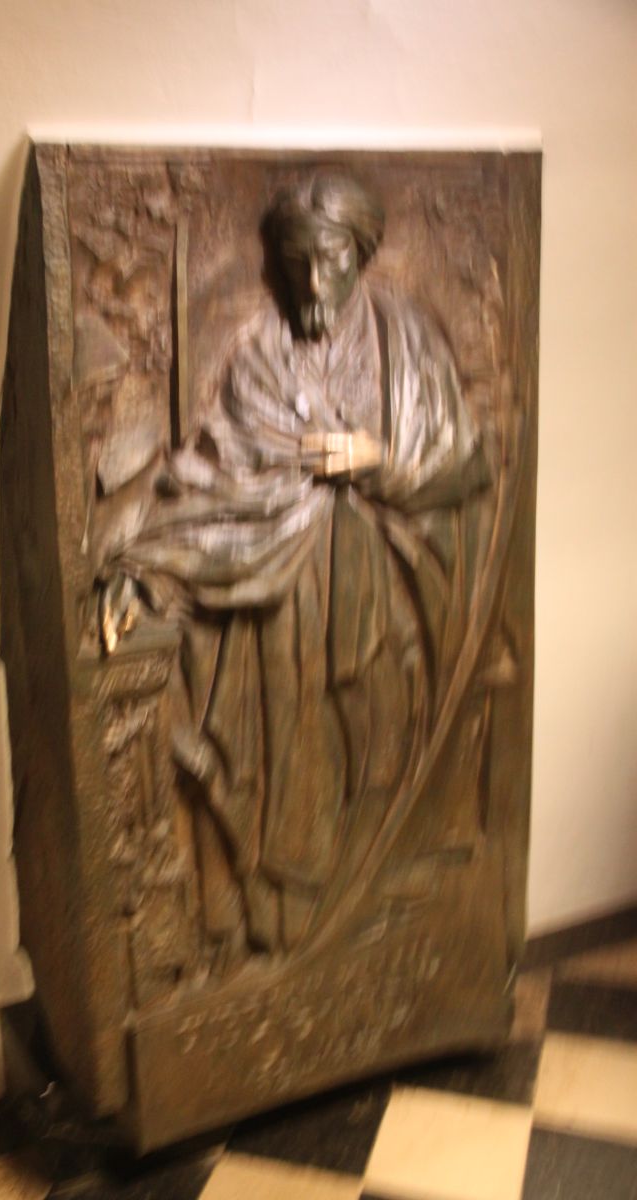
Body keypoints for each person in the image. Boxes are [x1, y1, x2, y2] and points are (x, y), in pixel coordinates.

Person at [95, 172, 490, 960]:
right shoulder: (260, 360)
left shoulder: (406, 344)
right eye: (296, 261)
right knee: (286, 747)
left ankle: (369, 914)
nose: (313, 282)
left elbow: (466, 463)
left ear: (360, 255)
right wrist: (150, 565)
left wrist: (380, 461)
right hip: (282, 602)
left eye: (331, 259)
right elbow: (218, 480)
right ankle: (281, 921)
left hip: (384, 593)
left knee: (369, 742)